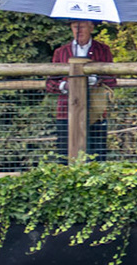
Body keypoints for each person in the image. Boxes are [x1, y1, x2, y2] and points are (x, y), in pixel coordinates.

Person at [46, 18, 119, 162]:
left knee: (97, 158)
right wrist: (65, 86)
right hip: (66, 112)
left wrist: (96, 80)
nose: (78, 31)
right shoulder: (61, 52)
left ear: (91, 28)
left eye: (83, 27)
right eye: (75, 27)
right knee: (65, 157)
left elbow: (112, 80)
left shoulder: (103, 50)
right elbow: (50, 83)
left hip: (95, 113)